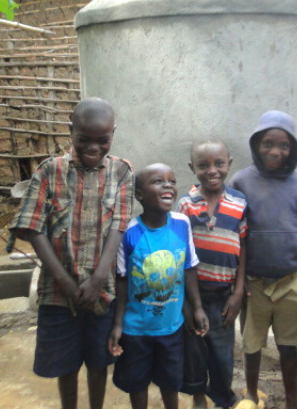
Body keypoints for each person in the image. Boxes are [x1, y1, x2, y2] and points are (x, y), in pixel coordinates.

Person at [7, 97, 133, 409]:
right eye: (83, 139)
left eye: (102, 140)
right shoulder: (50, 171)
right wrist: (67, 282)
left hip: (100, 291)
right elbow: (33, 228)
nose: (93, 147)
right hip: (58, 293)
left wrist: (97, 279)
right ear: (70, 131)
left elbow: (118, 226)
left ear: (112, 134)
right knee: (65, 365)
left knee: (98, 361)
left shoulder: (121, 172)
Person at [228, 110, 297, 409]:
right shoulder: (241, 181)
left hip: (290, 281)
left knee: (288, 346)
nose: (275, 151)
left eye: (283, 145)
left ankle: (292, 400)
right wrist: (239, 282)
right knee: (252, 345)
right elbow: (233, 234)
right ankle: (252, 396)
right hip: (254, 285)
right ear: (257, 144)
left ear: (292, 149)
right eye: (268, 143)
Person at [108, 163, 209, 409]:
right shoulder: (129, 233)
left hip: (171, 328)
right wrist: (119, 324)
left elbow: (188, 268)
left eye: (172, 181)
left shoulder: (181, 224)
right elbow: (122, 280)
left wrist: (197, 307)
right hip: (136, 330)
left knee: (170, 381)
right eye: (158, 181)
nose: (168, 186)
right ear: (139, 195)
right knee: (137, 383)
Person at [176, 140, 248, 409]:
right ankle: (198, 398)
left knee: (222, 354)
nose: (212, 171)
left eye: (219, 164)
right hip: (193, 294)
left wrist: (238, 292)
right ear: (192, 168)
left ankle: (222, 399)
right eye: (203, 165)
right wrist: (189, 304)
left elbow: (244, 249)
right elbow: (181, 253)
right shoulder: (185, 205)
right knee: (194, 351)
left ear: (229, 164)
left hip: (224, 297)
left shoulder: (239, 203)